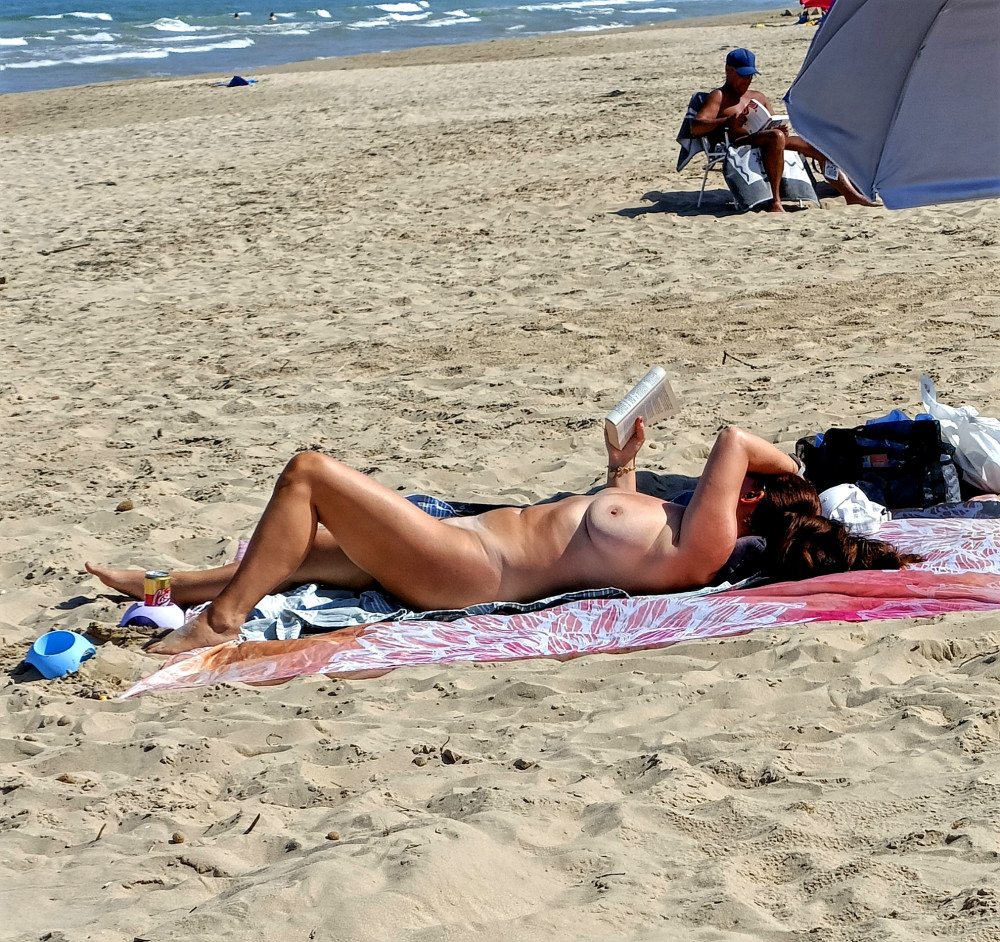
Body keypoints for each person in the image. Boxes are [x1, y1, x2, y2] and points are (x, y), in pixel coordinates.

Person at [86, 422, 920, 655]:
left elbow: (733, 438)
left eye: (746, 486)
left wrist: (795, 472)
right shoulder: (676, 533)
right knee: (295, 555)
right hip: (459, 544)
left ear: (753, 502)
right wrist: (621, 468)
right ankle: (161, 588)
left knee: (309, 475)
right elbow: (609, 536)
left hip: (468, 570)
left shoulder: (704, 548)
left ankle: (219, 623)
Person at [691, 48, 878, 213]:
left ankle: (850, 195)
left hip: (766, 137)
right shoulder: (719, 96)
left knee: (817, 145)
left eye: (750, 75)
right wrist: (727, 120)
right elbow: (696, 126)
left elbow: (771, 122)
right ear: (728, 70)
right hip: (739, 142)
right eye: (742, 75)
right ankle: (776, 201)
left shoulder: (757, 96)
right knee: (775, 136)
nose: (747, 80)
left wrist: (780, 128)